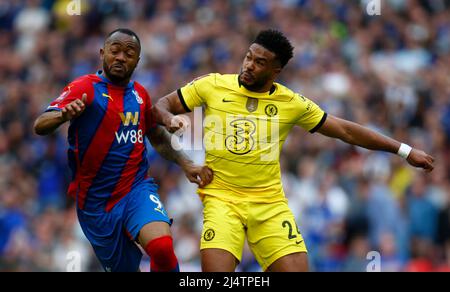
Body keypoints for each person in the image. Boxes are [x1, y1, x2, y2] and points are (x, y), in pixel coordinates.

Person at [152, 29, 435, 272]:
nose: (249, 65)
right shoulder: (212, 85)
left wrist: (404, 150)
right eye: (249, 56)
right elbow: (160, 105)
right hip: (222, 199)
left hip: (269, 204)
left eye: (259, 62)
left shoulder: (292, 103)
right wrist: (170, 119)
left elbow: (346, 131)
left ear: (276, 71)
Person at [33, 28, 213, 272]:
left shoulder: (140, 94)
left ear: (137, 61)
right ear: (102, 53)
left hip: (135, 189)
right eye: (114, 51)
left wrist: (186, 163)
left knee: (161, 247)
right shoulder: (84, 87)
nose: (120, 57)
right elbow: (40, 124)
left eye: (129, 53)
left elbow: (157, 136)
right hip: (96, 205)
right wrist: (62, 116)